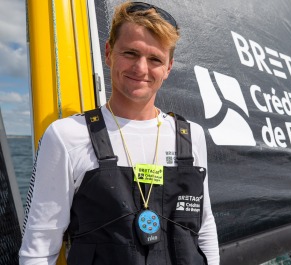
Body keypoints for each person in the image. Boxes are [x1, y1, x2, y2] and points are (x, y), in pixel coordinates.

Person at [19, 2, 220, 264]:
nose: (141, 68)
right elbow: (39, 250)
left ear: (168, 68)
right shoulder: (66, 136)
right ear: (108, 52)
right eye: (130, 53)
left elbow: (204, 229)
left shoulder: (190, 136)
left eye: (155, 59)